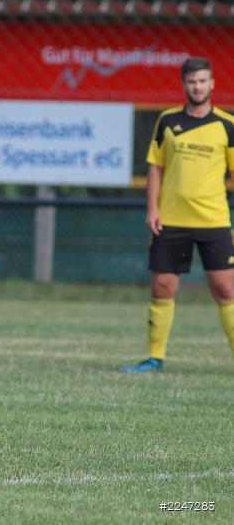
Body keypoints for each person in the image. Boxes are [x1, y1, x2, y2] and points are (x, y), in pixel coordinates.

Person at [122, 56, 234, 373]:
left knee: (226, 290)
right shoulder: (168, 121)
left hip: (214, 220)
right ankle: (154, 358)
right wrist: (153, 208)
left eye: (202, 81)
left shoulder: (227, 125)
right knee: (162, 288)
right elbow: (155, 167)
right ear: (184, 84)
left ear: (212, 84)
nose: (197, 87)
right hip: (171, 220)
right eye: (192, 81)